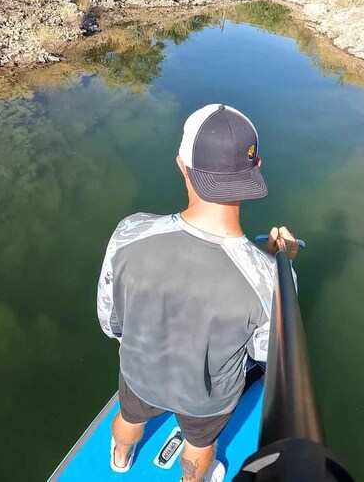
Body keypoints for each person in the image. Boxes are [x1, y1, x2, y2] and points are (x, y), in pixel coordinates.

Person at [97, 104, 299, 482]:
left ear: (182, 166)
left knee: (129, 416)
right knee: (200, 444)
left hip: (138, 373)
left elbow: (110, 321)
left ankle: (120, 459)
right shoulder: (268, 278)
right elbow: (263, 353)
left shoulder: (129, 233)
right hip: (206, 399)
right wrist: (283, 268)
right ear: (256, 168)